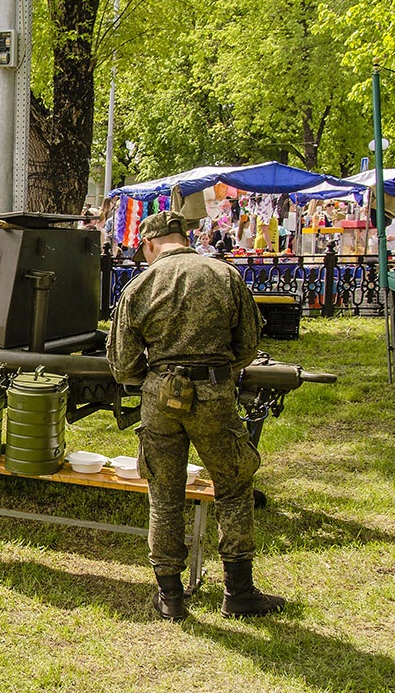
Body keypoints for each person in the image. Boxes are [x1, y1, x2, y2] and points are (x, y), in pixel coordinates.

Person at [107, 210, 283, 622]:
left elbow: (122, 364)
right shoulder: (225, 275)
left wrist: (157, 375)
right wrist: (218, 371)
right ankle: (238, 592)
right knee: (233, 487)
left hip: (160, 396)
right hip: (215, 392)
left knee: (164, 494)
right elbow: (248, 344)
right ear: (185, 238)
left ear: (149, 245)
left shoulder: (140, 285)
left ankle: (170, 597)